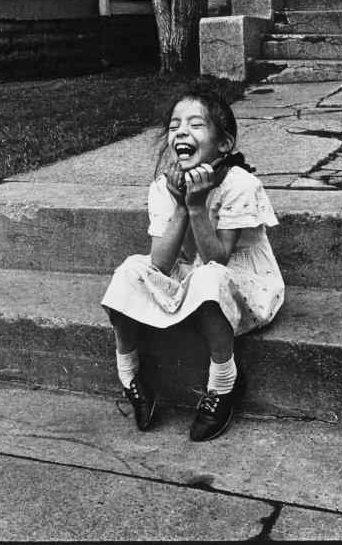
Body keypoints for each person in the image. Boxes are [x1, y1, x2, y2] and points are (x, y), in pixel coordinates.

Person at [101, 80, 284, 442]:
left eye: (196, 125)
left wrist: (198, 205)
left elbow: (218, 260)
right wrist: (182, 206)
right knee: (129, 272)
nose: (182, 131)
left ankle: (223, 383)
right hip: (192, 276)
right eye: (174, 126)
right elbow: (161, 264)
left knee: (208, 277)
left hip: (243, 284)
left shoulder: (239, 185)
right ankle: (131, 376)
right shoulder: (163, 187)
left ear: (224, 143)